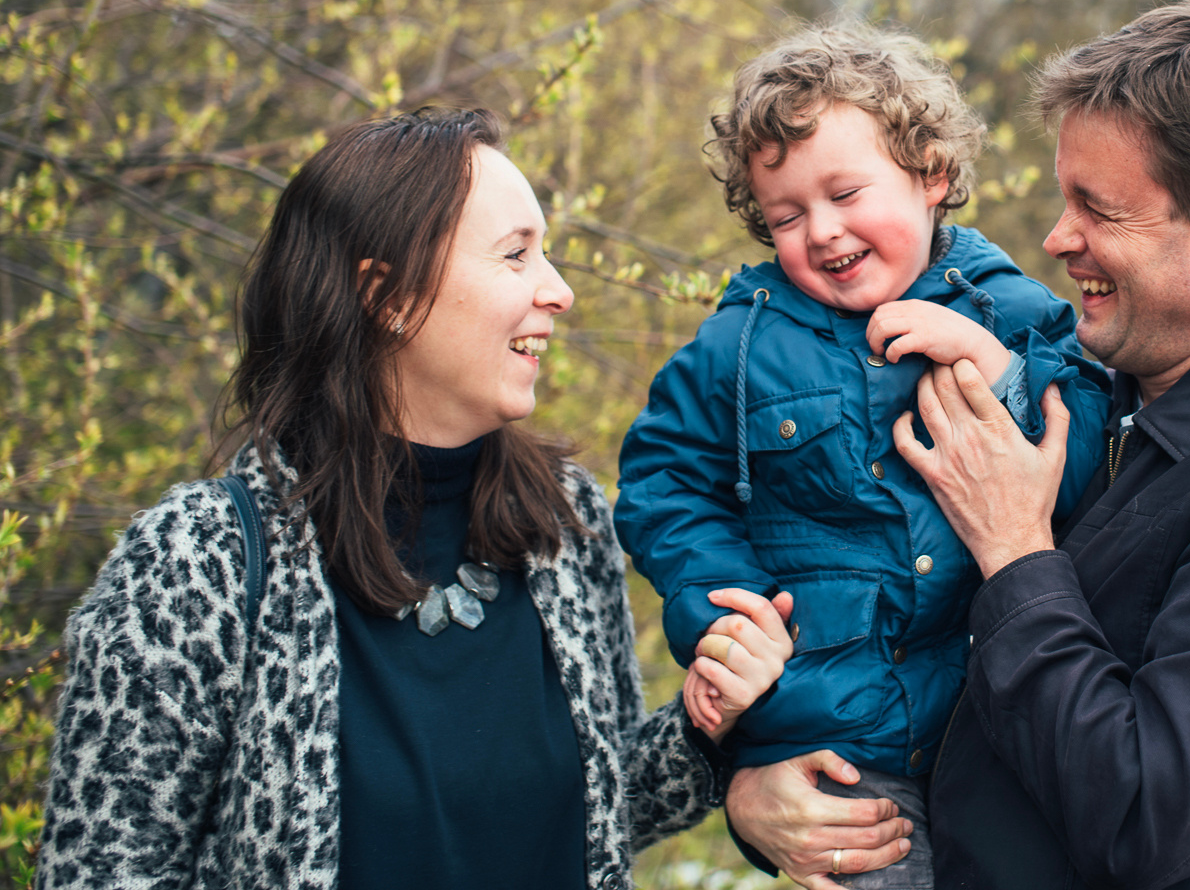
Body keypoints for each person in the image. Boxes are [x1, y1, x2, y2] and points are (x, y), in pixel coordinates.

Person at [727, 0, 1190, 889]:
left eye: (1099, 209)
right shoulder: (1081, 392)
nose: (1059, 239)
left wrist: (1016, 549)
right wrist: (757, 786)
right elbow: (869, 622)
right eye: (1066, 199)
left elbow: (1149, 817)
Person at [36, 107, 792, 890]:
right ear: (387, 295)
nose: (559, 291)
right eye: (515, 256)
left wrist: (711, 723)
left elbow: (591, 812)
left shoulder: (564, 523)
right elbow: (98, 872)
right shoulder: (197, 563)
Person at [613, 23, 1113, 887]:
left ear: (932, 176)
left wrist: (996, 373)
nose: (823, 230)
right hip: (837, 746)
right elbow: (663, 484)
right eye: (787, 216)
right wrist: (726, 613)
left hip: (993, 727)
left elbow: (1084, 472)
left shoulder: (1017, 317)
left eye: (846, 192)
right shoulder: (738, 346)